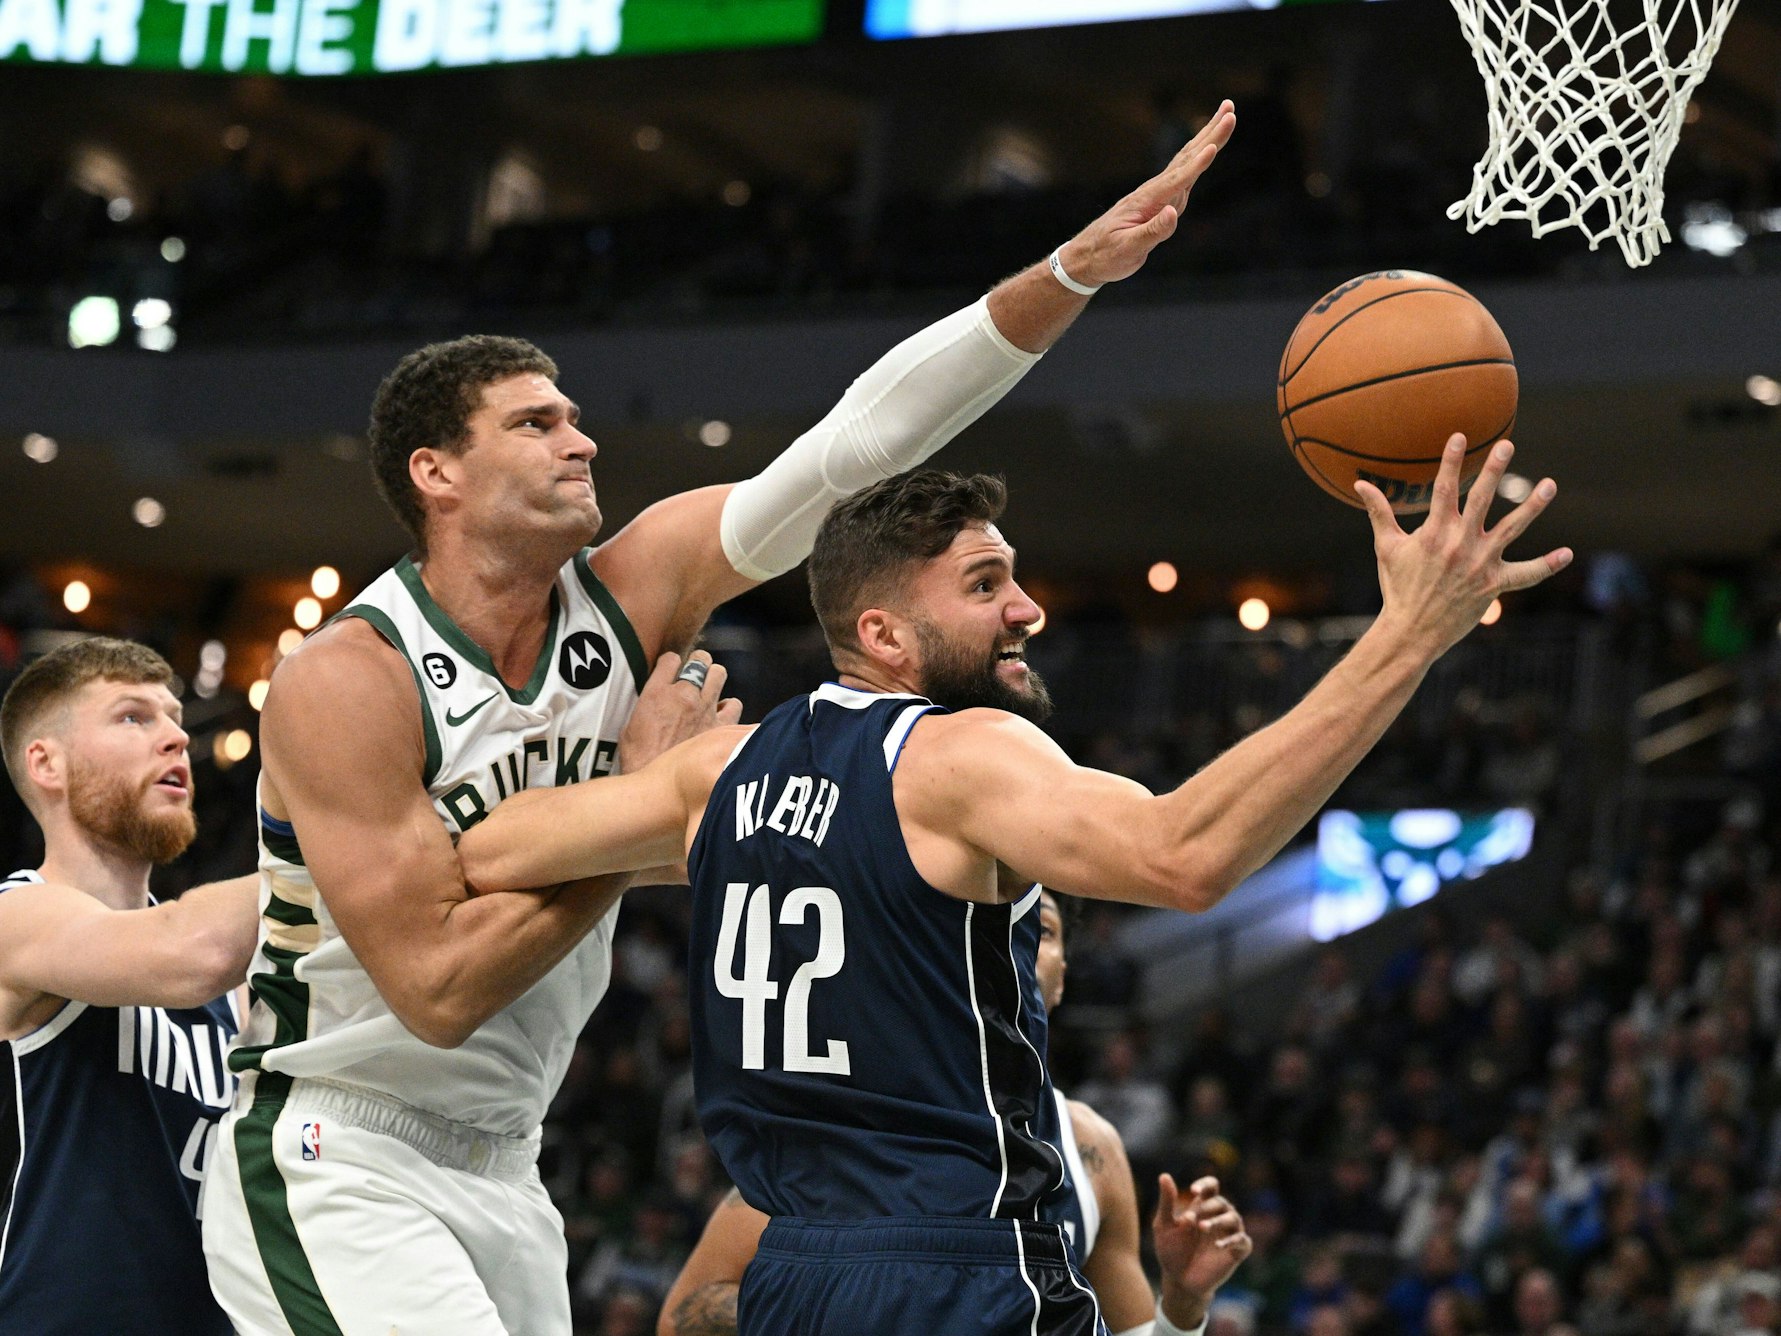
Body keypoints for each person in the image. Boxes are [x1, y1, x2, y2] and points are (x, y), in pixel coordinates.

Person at [202, 103, 1240, 1336]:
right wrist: (663, 802)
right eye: (535, 422)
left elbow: (855, 446)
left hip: (506, 1155)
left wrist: (1071, 272)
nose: (582, 437)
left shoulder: (634, 588)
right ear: (436, 473)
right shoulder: (349, 677)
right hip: (337, 1147)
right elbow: (432, 986)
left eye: (574, 414)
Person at [457, 437, 1569, 1333]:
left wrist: (641, 786)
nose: (1027, 608)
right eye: (986, 584)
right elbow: (1183, 855)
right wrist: (1406, 639)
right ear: (883, 634)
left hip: (789, 1275)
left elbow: (490, 848)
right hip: (960, 1267)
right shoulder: (960, 754)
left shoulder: (717, 772)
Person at [655, 889, 1255, 1336]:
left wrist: (1181, 1300)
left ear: (1064, 978)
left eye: (1038, 930)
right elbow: (683, 1316)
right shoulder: (849, 1117)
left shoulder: (1091, 1147)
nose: (1012, 944)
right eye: (995, 927)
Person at [0, 637, 259, 1333]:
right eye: (132, 717)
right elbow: (191, 949)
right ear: (46, 763)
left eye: (174, 717)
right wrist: (368, 856)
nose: (176, 737)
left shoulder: (227, 988)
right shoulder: (13, 919)